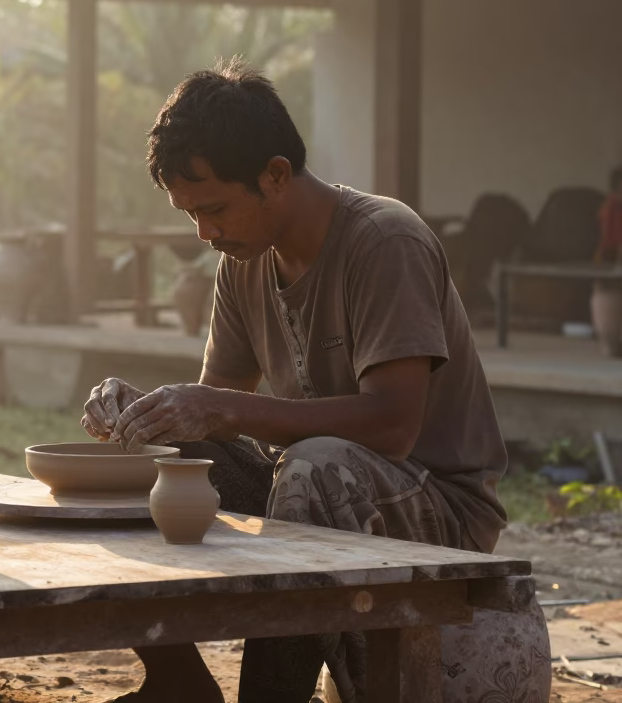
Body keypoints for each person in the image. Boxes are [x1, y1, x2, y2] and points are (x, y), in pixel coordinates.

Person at [82, 60, 508, 703]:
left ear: (275, 175)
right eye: (192, 215)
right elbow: (216, 410)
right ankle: (179, 685)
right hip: (312, 488)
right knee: (151, 456)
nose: (205, 233)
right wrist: (146, 414)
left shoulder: (385, 241)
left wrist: (218, 408)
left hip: (439, 507)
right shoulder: (243, 260)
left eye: (216, 209)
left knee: (314, 468)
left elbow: (393, 426)